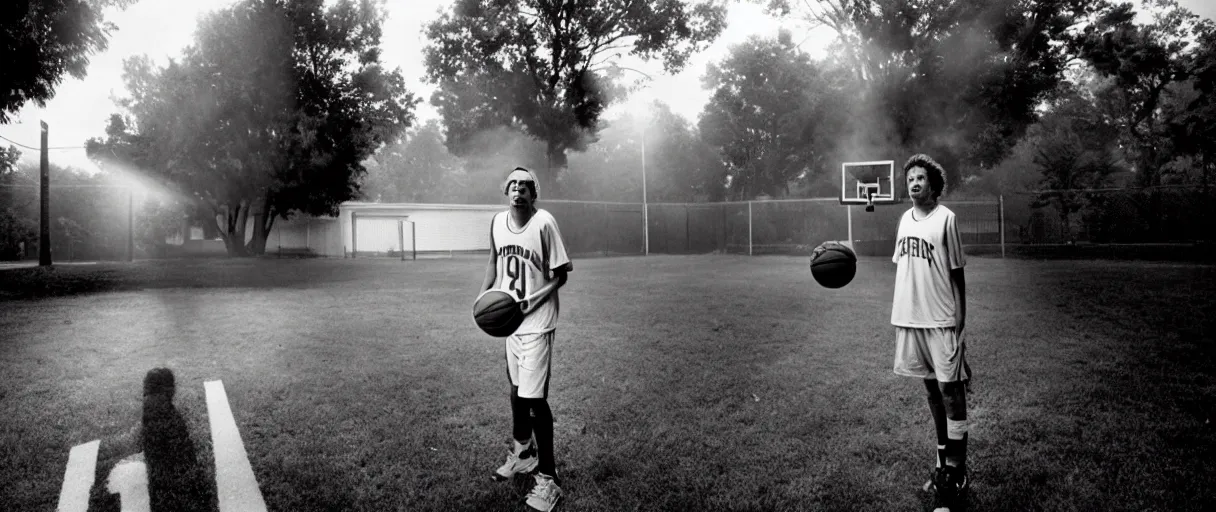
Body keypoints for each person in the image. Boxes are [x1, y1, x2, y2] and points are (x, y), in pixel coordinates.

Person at [481, 166, 573, 512]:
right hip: (511, 322)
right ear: (506, 191)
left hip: (537, 321)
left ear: (534, 194)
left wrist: (532, 301)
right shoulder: (496, 222)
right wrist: (482, 300)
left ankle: (549, 480)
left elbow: (561, 275)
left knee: (535, 400)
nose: (517, 189)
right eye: (512, 184)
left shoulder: (544, 222)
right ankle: (523, 453)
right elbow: (493, 264)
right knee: (517, 392)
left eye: (525, 185)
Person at [890, 154, 970, 511]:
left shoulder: (946, 219)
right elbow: (904, 269)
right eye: (910, 179)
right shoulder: (904, 219)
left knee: (951, 392)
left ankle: (957, 470)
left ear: (933, 185)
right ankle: (942, 462)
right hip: (910, 319)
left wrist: (960, 320)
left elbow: (957, 273)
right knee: (931, 392)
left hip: (940, 319)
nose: (914, 183)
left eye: (920, 178)